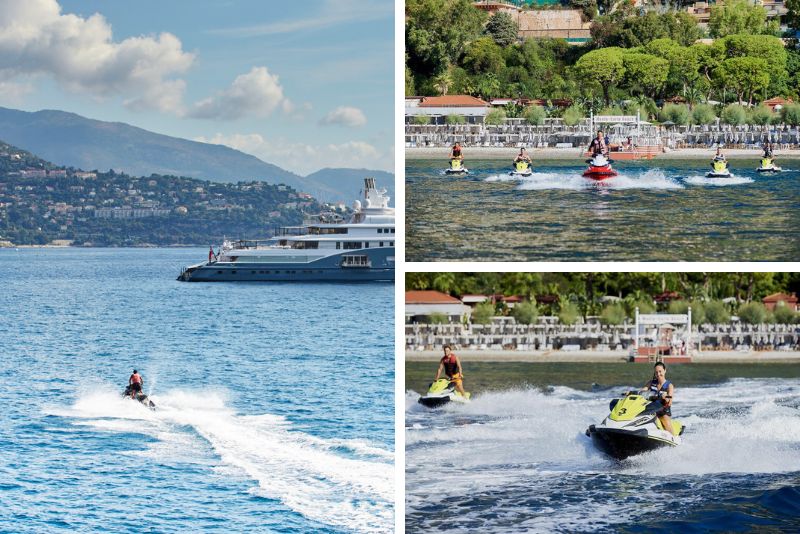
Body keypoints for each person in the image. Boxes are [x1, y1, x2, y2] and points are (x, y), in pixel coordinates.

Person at [639, 362, 674, 435]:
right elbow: (642, 392)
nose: (658, 374)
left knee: (665, 420)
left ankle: (673, 437)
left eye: (660, 371)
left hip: (663, 410)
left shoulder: (669, 386)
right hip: (651, 408)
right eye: (656, 372)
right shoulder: (651, 383)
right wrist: (632, 393)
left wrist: (665, 397)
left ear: (665, 371)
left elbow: (670, 401)